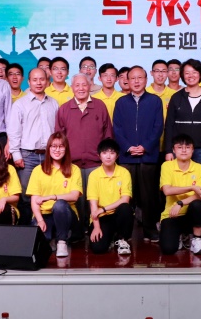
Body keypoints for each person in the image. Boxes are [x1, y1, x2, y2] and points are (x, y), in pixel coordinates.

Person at [112, 66, 163, 240]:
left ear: (146, 80)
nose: (136, 81)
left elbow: (158, 127)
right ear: (127, 80)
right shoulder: (121, 102)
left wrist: (145, 146)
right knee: (126, 195)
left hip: (148, 156)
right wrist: (127, 147)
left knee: (149, 196)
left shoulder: (155, 101)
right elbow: (117, 128)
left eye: (140, 78)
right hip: (127, 157)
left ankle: (150, 229)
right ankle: (123, 232)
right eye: (132, 78)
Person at [27, 132, 82, 258]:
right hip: (44, 214)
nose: (57, 150)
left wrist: (52, 197)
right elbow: (34, 200)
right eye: (54, 146)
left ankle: (62, 241)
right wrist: (40, 220)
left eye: (61, 146)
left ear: (66, 149)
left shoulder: (74, 169)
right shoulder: (38, 170)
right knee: (42, 240)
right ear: (48, 148)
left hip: (65, 213)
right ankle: (52, 238)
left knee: (59, 205)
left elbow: (74, 196)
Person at [54, 73, 113, 187]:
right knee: (75, 197)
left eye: (84, 85)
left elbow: (108, 135)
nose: (81, 88)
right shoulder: (64, 109)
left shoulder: (100, 106)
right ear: (72, 87)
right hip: (71, 165)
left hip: (97, 164)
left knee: (96, 196)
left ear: (90, 86)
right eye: (77, 85)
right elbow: (59, 138)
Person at [8, 68, 60, 194]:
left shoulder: (54, 103)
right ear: (29, 82)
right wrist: (16, 154)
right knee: (26, 193)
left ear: (47, 81)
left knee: (48, 191)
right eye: (35, 80)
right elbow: (14, 131)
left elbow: (57, 130)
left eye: (42, 79)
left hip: (49, 155)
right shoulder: (20, 104)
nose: (38, 83)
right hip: (27, 156)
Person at [163, 59, 201, 168]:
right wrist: (168, 150)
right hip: (180, 149)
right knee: (179, 178)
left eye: (194, 72)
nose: (191, 76)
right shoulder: (176, 98)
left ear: (200, 74)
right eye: (187, 73)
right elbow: (169, 126)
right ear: (182, 76)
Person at [159, 133, 201, 256]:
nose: (184, 150)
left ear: (193, 150)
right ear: (173, 150)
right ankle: (181, 235)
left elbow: (200, 195)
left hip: (190, 214)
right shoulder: (167, 166)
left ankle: (197, 239)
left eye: (188, 147)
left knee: (198, 204)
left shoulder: (199, 168)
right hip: (172, 214)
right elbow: (167, 190)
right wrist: (191, 187)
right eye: (180, 147)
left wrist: (181, 203)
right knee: (168, 249)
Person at [86, 138, 134, 255]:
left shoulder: (124, 173)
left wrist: (103, 209)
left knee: (125, 208)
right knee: (98, 248)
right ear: (99, 155)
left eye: (112, 153)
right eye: (104, 153)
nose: (108, 156)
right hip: (101, 217)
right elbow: (93, 204)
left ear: (117, 156)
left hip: (118, 214)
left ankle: (122, 239)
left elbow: (125, 199)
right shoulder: (94, 175)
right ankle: (111, 236)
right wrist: (96, 227)